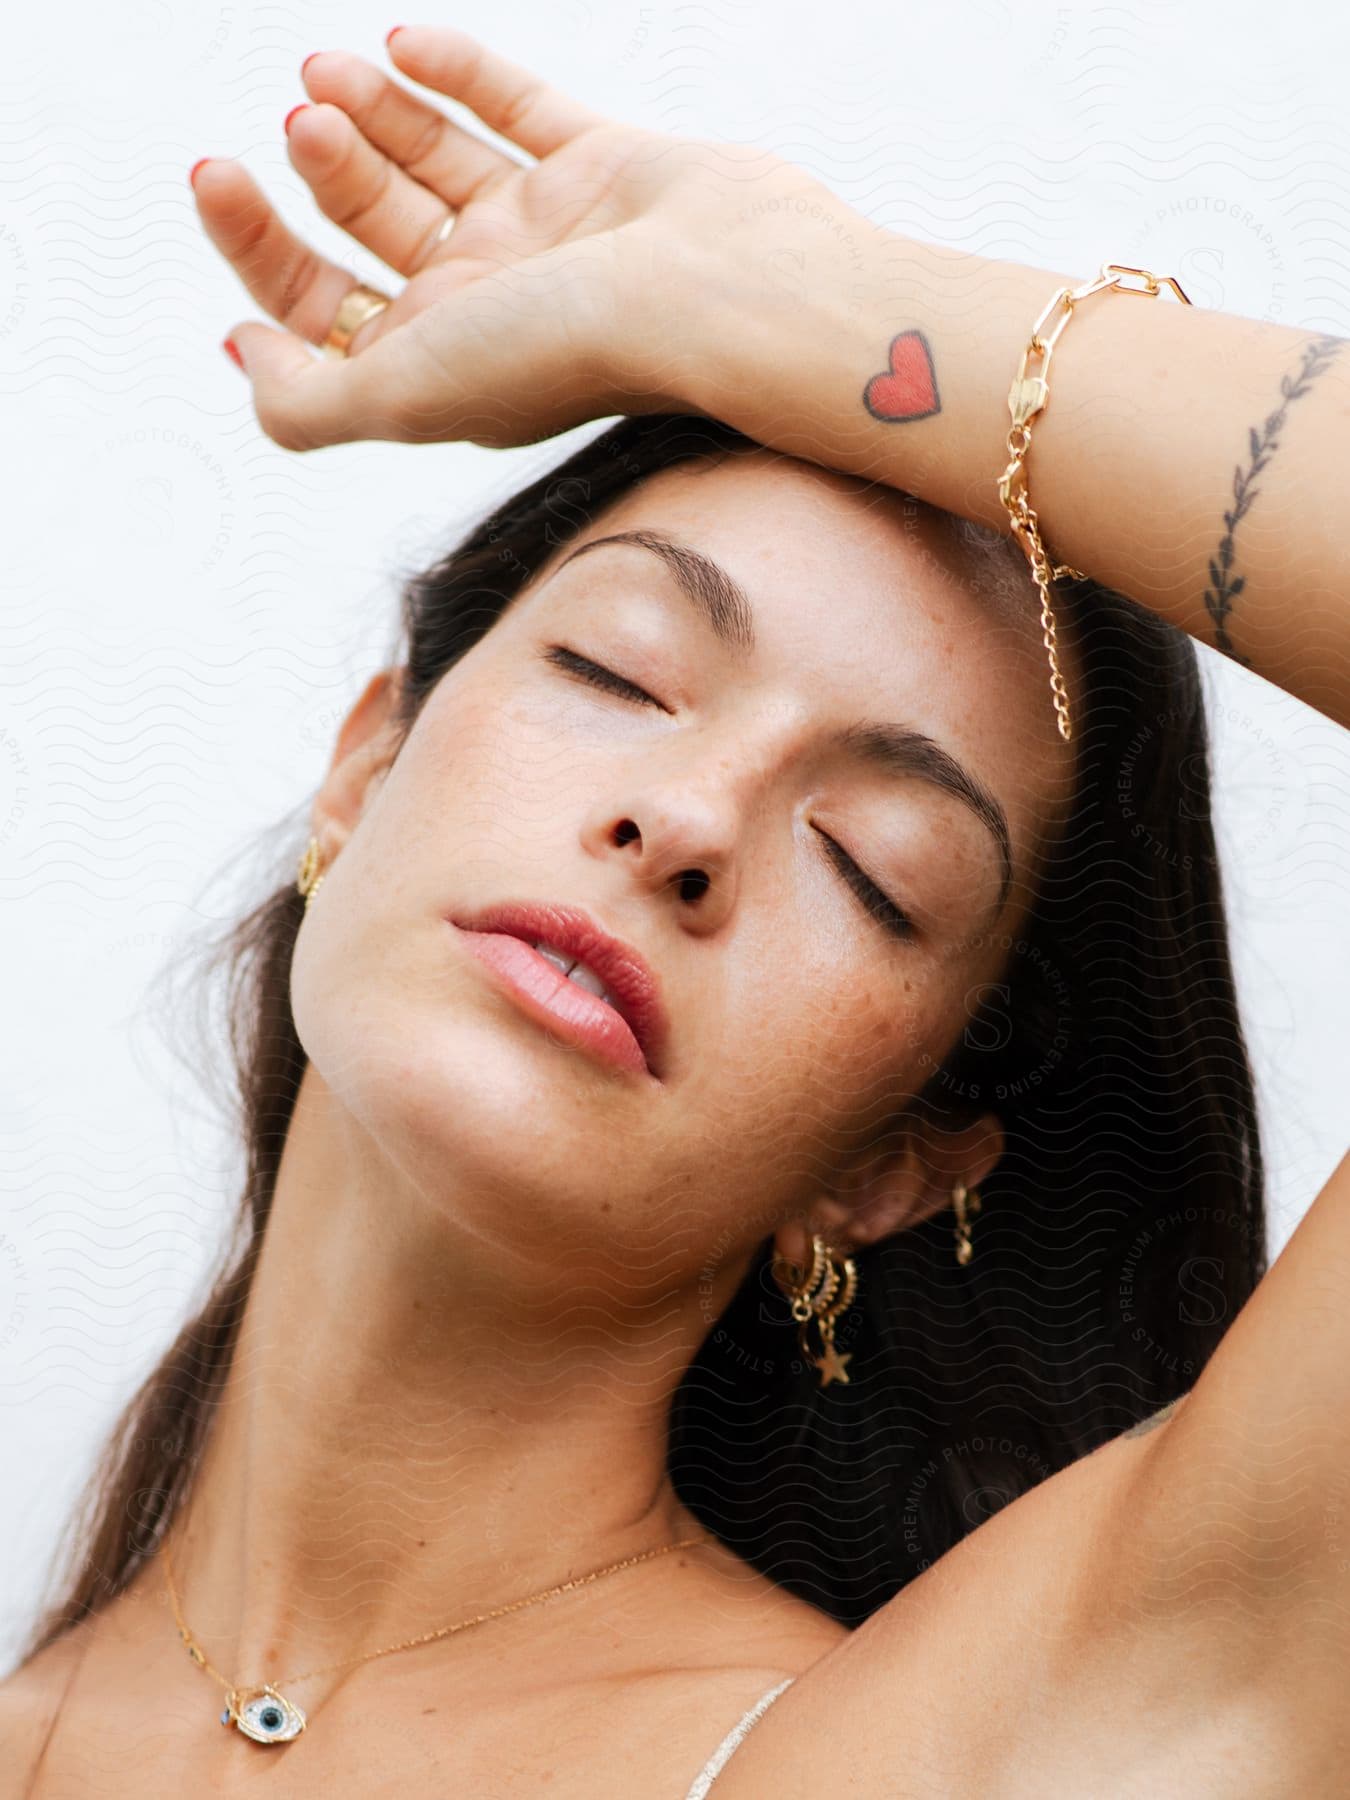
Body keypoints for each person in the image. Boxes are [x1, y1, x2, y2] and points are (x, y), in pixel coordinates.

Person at [5, 23, 1347, 1796]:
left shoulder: (1001, 1737)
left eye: (871, 866)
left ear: (892, 1158)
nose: (687, 822)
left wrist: (780, 299)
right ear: (364, 768)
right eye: (618, 670)